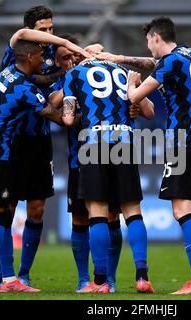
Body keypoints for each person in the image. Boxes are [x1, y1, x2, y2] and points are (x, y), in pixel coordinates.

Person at [126, 16, 191, 294]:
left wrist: (130, 84)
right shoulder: (186, 54)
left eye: (149, 40)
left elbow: (136, 97)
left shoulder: (169, 62)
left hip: (181, 142)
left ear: (156, 38)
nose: (148, 46)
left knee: (181, 209)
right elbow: (154, 64)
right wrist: (118, 57)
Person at [0, 5, 90, 289]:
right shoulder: (18, 50)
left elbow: (57, 99)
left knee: (36, 209)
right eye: (43, 30)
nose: (49, 35)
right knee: (7, 208)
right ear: (31, 30)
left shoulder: (53, 58)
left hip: (39, 140)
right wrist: (62, 46)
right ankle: (6, 275)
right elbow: (33, 78)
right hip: (12, 140)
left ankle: (23, 274)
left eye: (52, 29)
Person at [0, 40, 69, 293]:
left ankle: (9, 279)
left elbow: (43, 82)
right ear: (30, 57)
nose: (42, 60)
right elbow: (56, 116)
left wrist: (63, 74)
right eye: (39, 56)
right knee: (0, 217)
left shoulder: (8, 73)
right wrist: (71, 98)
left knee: (0, 216)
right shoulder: (24, 88)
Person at [61, 52, 155, 294]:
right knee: (133, 211)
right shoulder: (122, 72)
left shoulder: (74, 74)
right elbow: (149, 111)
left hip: (93, 142)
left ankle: (100, 282)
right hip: (124, 140)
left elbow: (68, 119)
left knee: (98, 212)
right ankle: (142, 277)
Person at [48, 35, 125, 293]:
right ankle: (84, 279)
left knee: (112, 216)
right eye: (64, 58)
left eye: (72, 55)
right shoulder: (64, 81)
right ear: (57, 62)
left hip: (107, 154)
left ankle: (108, 279)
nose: (70, 61)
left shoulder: (95, 72)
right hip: (77, 160)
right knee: (80, 219)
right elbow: (53, 106)